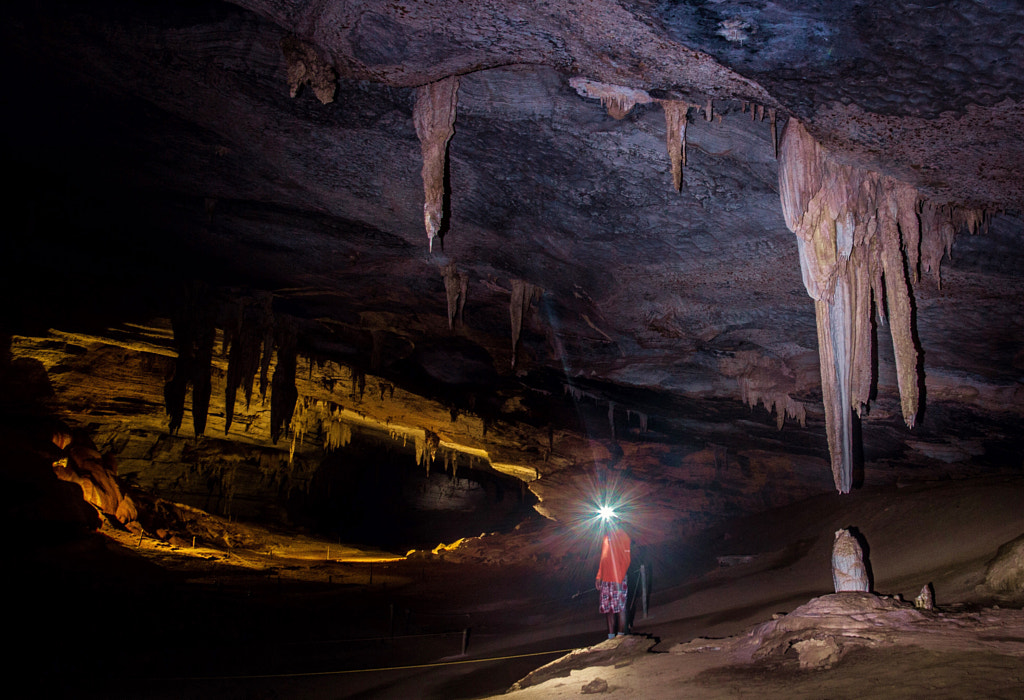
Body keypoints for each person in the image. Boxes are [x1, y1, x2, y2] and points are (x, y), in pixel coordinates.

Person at [595, 521, 631, 639]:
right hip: (606, 579)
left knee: (620, 608)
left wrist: (619, 578)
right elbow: (603, 558)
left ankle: (620, 636)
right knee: (608, 609)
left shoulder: (623, 536)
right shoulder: (606, 537)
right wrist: (599, 576)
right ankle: (610, 636)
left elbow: (626, 559)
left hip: (618, 579)